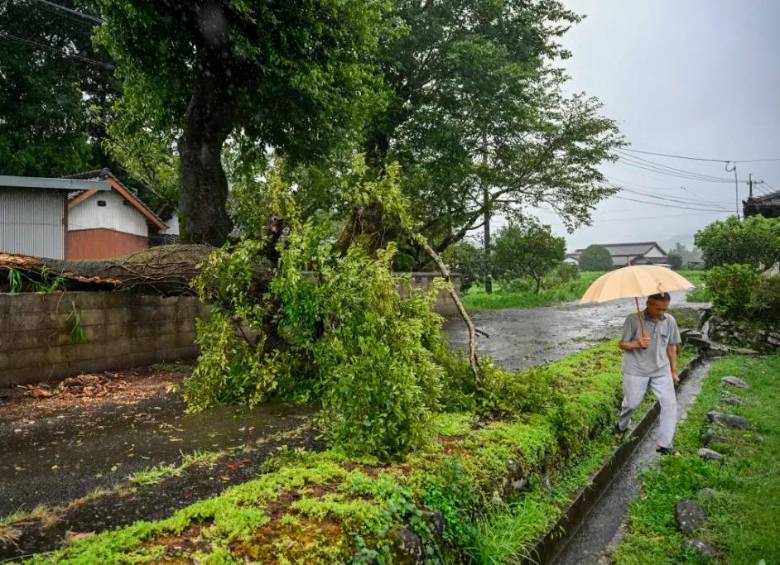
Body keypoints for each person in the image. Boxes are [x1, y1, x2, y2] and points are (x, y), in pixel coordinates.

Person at [613, 292, 682, 454]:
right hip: (636, 369)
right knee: (631, 403)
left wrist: (673, 371)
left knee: (670, 404)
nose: (661, 312)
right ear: (648, 304)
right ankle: (621, 426)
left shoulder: (670, 321)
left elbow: (672, 346)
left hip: (661, 369)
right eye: (658, 309)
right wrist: (637, 344)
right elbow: (622, 344)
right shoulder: (632, 319)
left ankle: (665, 445)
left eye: (664, 309)